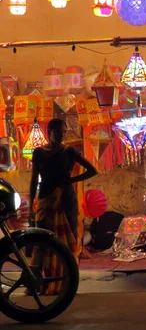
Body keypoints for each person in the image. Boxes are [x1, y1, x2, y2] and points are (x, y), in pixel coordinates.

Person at [29, 118, 98, 294]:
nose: (62, 135)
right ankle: (38, 283)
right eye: (59, 132)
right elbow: (33, 180)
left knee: (68, 243)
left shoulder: (70, 152)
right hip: (45, 201)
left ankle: (66, 283)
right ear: (49, 131)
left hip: (66, 201)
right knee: (42, 242)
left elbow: (93, 170)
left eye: (64, 132)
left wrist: (72, 180)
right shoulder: (38, 153)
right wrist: (31, 205)